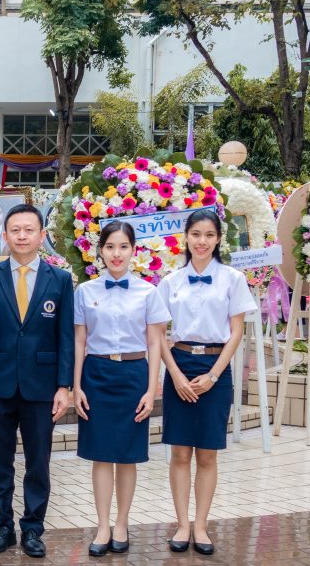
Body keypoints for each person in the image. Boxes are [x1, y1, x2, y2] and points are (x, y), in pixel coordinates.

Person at [0, 203, 74, 559]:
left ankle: (33, 528)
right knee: (0, 463)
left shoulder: (60, 280)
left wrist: (63, 386)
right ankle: (2, 527)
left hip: (42, 387)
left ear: (41, 236)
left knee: (38, 463)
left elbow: (65, 337)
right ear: (5, 235)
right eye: (15, 230)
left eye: (29, 230)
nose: (22, 236)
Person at [157, 210, 256, 556]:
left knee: (207, 454)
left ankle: (201, 525)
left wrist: (214, 375)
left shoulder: (233, 279)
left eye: (209, 235)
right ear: (186, 237)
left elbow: (236, 332)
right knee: (180, 452)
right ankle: (182, 525)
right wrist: (175, 375)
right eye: (196, 234)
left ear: (218, 239)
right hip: (179, 365)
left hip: (217, 366)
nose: (202, 241)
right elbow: (159, 335)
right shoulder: (170, 281)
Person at [71, 221, 169, 557]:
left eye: (123, 247)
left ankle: (122, 522)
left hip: (133, 375)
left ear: (133, 250)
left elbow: (155, 343)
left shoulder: (148, 292)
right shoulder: (85, 291)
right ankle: (102, 525)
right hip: (96, 375)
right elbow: (79, 341)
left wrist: (151, 389)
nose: (116, 253)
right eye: (110, 246)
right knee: (101, 455)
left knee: (127, 456)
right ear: (99, 250)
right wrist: (76, 386)